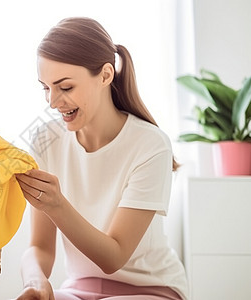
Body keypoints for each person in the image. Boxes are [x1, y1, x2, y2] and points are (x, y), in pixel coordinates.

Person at [15, 17, 188, 300]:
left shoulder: (151, 144)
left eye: (65, 87)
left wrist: (57, 204)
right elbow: (41, 248)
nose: (52, 102)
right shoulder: (45, 139)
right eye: (46, 87)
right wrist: (35, 283)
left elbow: (114, 256)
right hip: (81, 288)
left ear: (106, 75)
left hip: (151, 289)